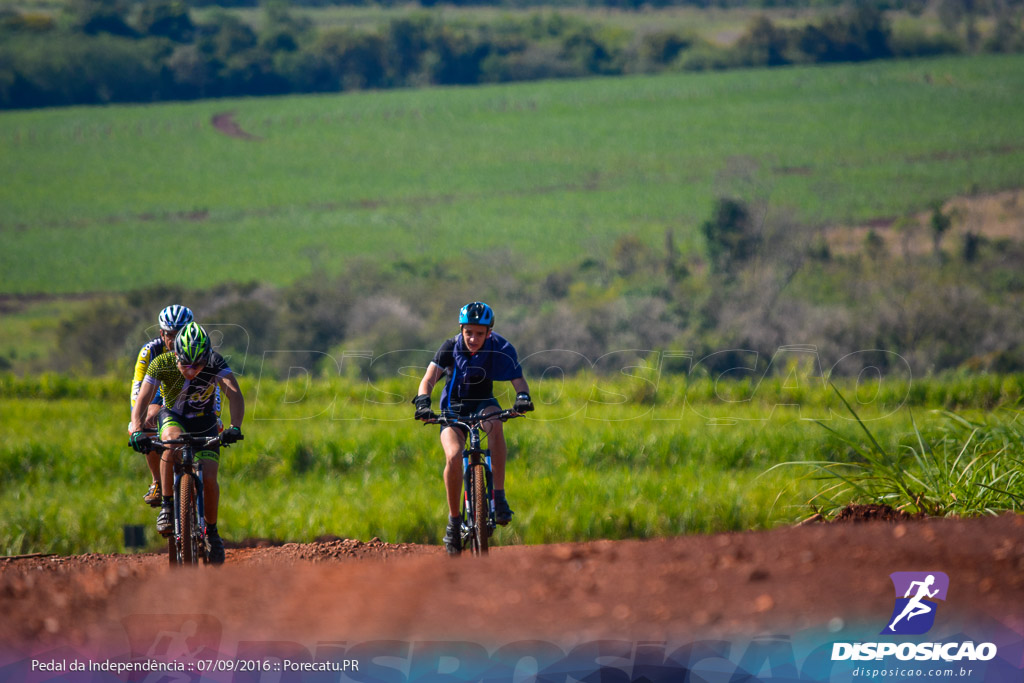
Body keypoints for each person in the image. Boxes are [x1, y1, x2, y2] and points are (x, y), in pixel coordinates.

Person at [413, 301, 534, 556]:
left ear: (489, 332)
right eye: (468, 332)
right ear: (461, 329)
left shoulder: (500, 347)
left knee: (496, 422)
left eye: (480, 333)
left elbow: (519, 380)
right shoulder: (449, 347)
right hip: (453, 410)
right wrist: (423, 402)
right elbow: (427, 380)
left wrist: (522, 397)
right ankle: (454, 522)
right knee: (454, 456)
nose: (473, 338)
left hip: (482, 404)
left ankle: (498, 497)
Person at [128, 321, 244, 564]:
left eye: (198, 364)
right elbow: (143, 398)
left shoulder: (215, 362)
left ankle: (212, 533)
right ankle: (168, 506)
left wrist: (235, 427)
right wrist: (137, 429)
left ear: (207, 358)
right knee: (170, 442)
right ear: (175, 355)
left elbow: (234, 392)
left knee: (210, 479)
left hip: (205, 421)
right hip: (174, 416)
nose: (191, 371)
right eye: (184, 363)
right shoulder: (162, 363)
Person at [129, 305, 194, 507]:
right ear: (161, 333)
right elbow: (138, 390)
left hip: (188, 393)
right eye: (170, 334)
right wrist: (136, 425)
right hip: (157, 389)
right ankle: (157, 481)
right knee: (150, 417)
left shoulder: (198, 348)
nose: (174, 341)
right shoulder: (150, 351)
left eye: (180, 334)